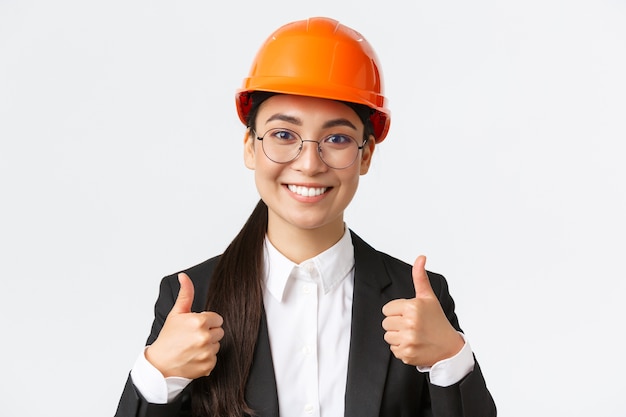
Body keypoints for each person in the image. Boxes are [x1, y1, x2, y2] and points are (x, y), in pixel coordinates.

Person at [114, 16, 496, 417]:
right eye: (283, 135)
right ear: (250, 146)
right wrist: (157, 377)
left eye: (337, 139)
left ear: (365, 155)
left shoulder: (418, 300)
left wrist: (451, 361)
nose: (310, 164)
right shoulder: (193, 301)